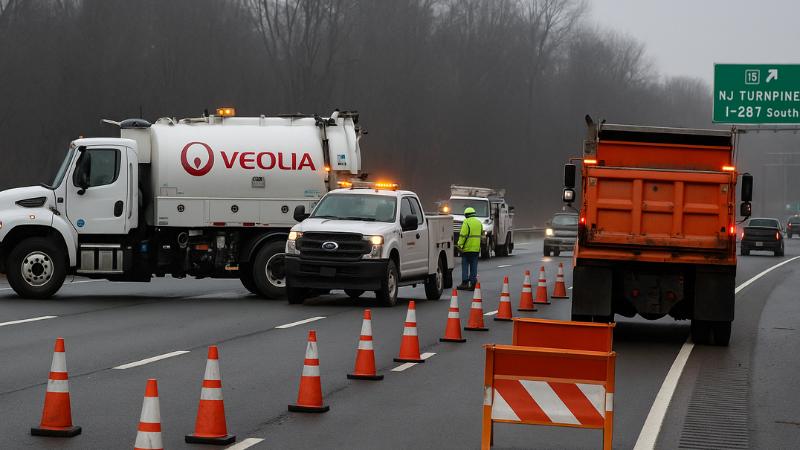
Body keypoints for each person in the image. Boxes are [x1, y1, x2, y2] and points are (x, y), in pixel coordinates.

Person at [456, 207, 482, 290]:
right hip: (476, 249)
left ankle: (465, 283)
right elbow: (481, 234)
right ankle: (473, 283)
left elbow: (463, 235)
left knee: (465, 266)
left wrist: (459, 245)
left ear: (466, 215)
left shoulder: (466, 222)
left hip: (466, 249)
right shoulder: (479, 223)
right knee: (474, 266)